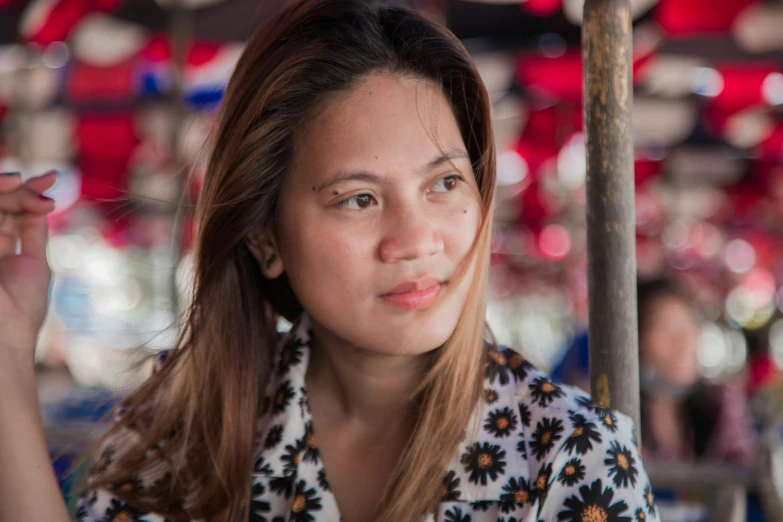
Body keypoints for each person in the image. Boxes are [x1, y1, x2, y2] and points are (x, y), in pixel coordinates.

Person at [0, 1, 660, 521]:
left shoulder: (571, 455)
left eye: (443, 184)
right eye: (359, 198)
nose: (415, 239)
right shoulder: (181, 438)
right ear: (266, 238)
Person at [636, 279, 756, 464]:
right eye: (666, 328)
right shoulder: (619, 411)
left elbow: (744, 467)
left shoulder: (721, 404)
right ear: (638, 339)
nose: (682, 340)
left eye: (688, 325)